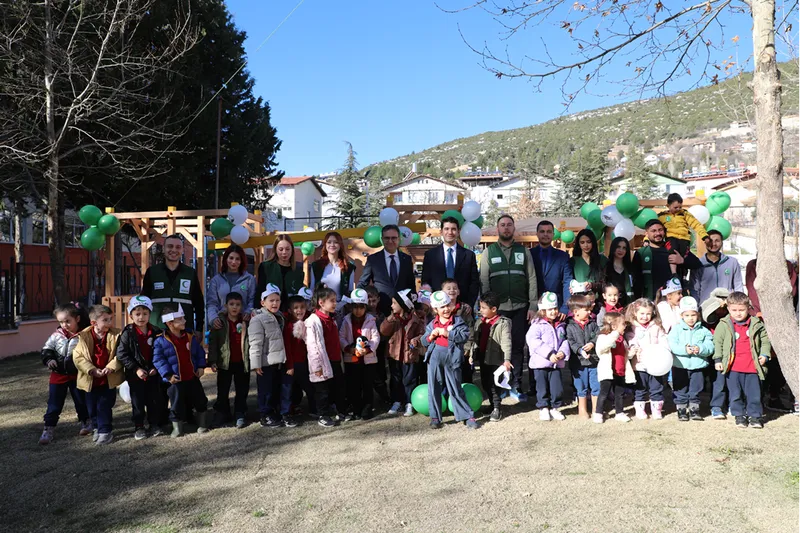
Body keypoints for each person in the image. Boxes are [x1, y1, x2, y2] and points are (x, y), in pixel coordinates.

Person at [479, 214, 538, 400]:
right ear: (498, 229)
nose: (506, 228)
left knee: (518, 347)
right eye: (503, 225)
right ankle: (500, 386)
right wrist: (487, 308)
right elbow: (484, 280)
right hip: (498, 310)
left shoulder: (524, 251)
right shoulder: (489, 252)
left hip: (521, 307)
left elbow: (532, 278)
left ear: (514, 228)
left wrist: (533, 305)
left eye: (509, 225)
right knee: (498, 348)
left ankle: (515, 385)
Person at [421, 291, 479, 430]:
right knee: (433, 387)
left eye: (448, 305)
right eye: (442, 307)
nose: (446, 309)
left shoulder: (458, 321)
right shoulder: (432, 324)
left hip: (452, 358)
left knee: (455, 387)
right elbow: (424, 341)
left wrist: (448, 333)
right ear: (435, 309)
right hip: (435, 358)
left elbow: (464, 335)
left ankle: (467, 416)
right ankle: (435, 417)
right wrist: (431, 336)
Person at [713, 291, 771, 429]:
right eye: (734, 310)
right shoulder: (724, 324)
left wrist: (764, 354)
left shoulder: (756, 323)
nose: (738, 313)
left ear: (748, 308)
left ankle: (755, 416)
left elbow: (765, 340)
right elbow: (718, 343)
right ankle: (739, 415)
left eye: (741, 310)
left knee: (754, 394)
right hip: (733, 367)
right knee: (735, 394)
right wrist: (718, 359)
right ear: (728, 309)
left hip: (752, 366)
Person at [153, 305, 209, 437]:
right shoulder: (160, 341)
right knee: (176, 404)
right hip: (175, 380)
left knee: (200, 400)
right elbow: (158, 360)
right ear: (170, 323)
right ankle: (177, 427)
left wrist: (201, 366)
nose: (184, 321)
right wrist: (168, 375)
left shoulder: (190, 336)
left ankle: (202, 423)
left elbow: (199, 353)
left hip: (192, 377)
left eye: (183, 318)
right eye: (180, 319)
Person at [38, 303, 91, 445]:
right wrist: (49, 359)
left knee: (81, 401)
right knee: (54, 403)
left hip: (77, 375)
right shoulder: (56, 336)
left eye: (68, 321)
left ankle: (86, 422)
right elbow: (46, 349)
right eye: (61, 322)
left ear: (77, 319)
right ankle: (48, 428)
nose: (64, 325)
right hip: (58, 375)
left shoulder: (84, 335)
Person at [114, 296, 165, 440]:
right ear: (131, 315)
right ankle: (139, 427)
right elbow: (122, 354)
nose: (141, 317)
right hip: (135, 375)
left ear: (150, 314)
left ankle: (154, 424)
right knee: (138, 402)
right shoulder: (127, 333)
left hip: (153, 373)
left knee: (154, 400)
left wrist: (156, 367)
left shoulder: (157, 332)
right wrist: (136, 369)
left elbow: (161, 351)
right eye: (137, 314)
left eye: (145, 313)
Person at [72, 305, 124, 445]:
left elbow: (120, 355)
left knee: (104, 405)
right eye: (105, 320)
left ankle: (105, 431)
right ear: (94, 323)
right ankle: (96, 427)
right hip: (90, 380)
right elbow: (78, 357)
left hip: (108, 379)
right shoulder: (83, 336)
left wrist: (111, 367)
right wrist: (92, 370)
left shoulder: (116, 335)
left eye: (111, 319)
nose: (110, 323)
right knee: (92, 407)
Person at [249, 284, 293, 428]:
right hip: (265, 362)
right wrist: (256, 364)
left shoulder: (280, 317)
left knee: (275, 389)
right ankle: (265, 415)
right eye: (271, 300)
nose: (275, 303)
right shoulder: (258, 319)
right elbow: (255, 343)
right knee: (265, 391)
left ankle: (274, 412)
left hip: (278, 361)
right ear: (263, 302)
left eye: (277, 300)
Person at [141, 234, 205, 332]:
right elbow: (144, 301)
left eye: (178, 247)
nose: (174, 250)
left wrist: (199, 329)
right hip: (157, 327)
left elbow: (199, 303)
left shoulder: (190, 273)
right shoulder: (152, 272)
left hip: (184, 328)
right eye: (170, 246)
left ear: (182, 250)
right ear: (163, 249)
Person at [306, 287, 348, 427]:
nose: (335, 303)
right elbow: (312, 346)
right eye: (332, 301)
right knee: (322, 391)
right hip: (322, 362)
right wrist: (317, 366)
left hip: (335, 360)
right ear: (321, 302)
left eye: (335, 300)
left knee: (338, 387)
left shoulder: (332, 319)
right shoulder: (313, 321)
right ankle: (323, 415)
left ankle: (340, 411)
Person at [208, 292, 250, 429]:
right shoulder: (219, 322)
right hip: (224, 362)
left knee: (242, 389)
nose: (234, 307)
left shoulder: (246, 321)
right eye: (231, 304)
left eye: (238, 305)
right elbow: (213, 342)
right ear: (226, 306)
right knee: (223, 390)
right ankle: (222, 413)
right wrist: (212, 360)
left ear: (242, 306)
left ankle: (240, 413)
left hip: (242, 362)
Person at [379, 289, 425, 416]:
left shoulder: (416, 319)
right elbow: (383, 331)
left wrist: (416, 340)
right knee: (395, 379)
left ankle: (409, 402)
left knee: (409, 379)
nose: (391, 305)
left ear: (404, 305)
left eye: (394, 303)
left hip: (409, 354)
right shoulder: (393, 319)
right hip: (394, 354)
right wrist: (390, 319)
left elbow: (422, 334)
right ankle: (397, 400)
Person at [526, 292, 571, 421]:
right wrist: (549, 353)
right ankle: (544, 407)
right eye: (550, 309)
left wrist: (562, 352)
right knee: (542, 387)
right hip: (540, 364)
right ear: (542, 310)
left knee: (557, 388)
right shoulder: (537, 325)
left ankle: (555, 407)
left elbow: (564, 340)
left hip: (555, 364)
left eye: (555, 308)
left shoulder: (560, 325)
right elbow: (533, 340)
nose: (553, 312)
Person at [668, 296, 714, 422]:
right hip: (680, 365)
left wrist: (700, 349)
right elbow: (672, 345)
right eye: (687, 315)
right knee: (680, 388)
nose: (690, 318)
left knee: (696, 388)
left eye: (693, 315)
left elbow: (710, 346)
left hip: (698, 365)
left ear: (698, 315)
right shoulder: (676, 330)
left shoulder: (704, 331)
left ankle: (694, 409)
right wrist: (684, 350)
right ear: (682, 316)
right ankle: (681, 409)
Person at [633, 219, 701, 300]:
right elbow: (636, 280)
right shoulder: (641, 253)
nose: (658, 233)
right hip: (651, 300)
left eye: (660, 230)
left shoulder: (674, 248)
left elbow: (697, 264)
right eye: (653, 231)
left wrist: (682, 260)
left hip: (674, 300)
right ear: (646, 233)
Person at [470, 292, 512, 422]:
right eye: (480, 307)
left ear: (493, 309)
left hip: (495, 359)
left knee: (494, 384)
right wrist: (471, 354)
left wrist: (507, 360)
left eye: (483, 308)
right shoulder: (480, 322)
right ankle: (492, 405)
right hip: (483, 357)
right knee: (485, 383)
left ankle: (497, 408)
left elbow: (506, 342)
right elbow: (475, 340)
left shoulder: (503, 323)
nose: (480, 310)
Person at [339, 288, 380, 420]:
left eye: (361, 307)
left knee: (367, 385)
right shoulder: (346, 320)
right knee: (354, 386)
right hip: (352, 359)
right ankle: (356, 408)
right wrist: (349, 349)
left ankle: (367, 409)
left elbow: (375, 338)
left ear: (365, 307)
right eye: (355, 307)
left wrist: (367, 349)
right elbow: (341, 337)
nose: (358, 310)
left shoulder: (370, 320)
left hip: (368, 360)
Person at [625, 298, 669, 420]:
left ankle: (657, 409)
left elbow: (663, 340)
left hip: (656, 364)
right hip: (640, 364)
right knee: (640, 388)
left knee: (656, 387)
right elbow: (631, 340)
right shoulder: (632, 327)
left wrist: (663, 350)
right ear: (635, 313)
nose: (645, 317)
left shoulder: (657, 326)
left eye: (648, 314)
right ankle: (640, 409)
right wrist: (634, 348)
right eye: (642, 313)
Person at [421, 216, 480, 307]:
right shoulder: (430, 255)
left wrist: (469, 304)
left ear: (458, 232)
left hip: (462, 307)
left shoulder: (469, 255)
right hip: (437, 307)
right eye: (446, 229)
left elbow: (474, 282)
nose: (450, 232)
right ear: (441, 231)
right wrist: (429, 304)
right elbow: (425, 282)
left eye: (453, 229)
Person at [358, 225, 416, 316]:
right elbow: (363, 282)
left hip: (402, 310)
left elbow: (411, 284)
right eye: (387, 238)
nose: (390, 241)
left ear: (399, 239)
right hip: (380, 309)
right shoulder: (373, 259)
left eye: (394, 238)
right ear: (382, 239)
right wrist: (356, 300)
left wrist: (413, 304)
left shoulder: (407, 259)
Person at [594, 312, 635, 423]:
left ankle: (619, 413)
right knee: (604, 393)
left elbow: (626, 355)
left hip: (620, 371)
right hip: (608, 372)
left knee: (619, 394)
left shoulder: (622, 339)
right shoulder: (603, 337)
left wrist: (632, 352)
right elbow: (602, 349)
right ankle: (598, 413)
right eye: (623, 324)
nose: (625, 326)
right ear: (613, 326)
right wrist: (615, 334)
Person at [658, 193, 710, 276]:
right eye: (675, 207)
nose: (678, 209)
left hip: (684, 238)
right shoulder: (662, 216)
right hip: (671, 237)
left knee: (684, 255)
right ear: (668, 205)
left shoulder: (684, 214)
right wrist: (646, 239)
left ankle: (684, 273)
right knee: (672, 251)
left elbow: (696, 224)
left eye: (680, 207)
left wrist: (704, 236)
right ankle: (673, 273)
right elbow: (653, 229)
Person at [566, 294, 600, 419]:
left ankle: (596, 409)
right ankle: (582, 409)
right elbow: (570, 342)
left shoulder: (593, 324)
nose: (589, 312)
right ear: (576, 312)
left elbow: (598, 335)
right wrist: (579, 350)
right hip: (578, 363)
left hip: (594, 361)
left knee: (596, 385)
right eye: (586, 310)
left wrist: (592, 343)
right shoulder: (569, 327)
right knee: (581, 386)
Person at [206, 245, 256, 330]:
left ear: (242, 261)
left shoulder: (249, 279)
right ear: (226, 259)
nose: (234, 262)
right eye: (231, 258)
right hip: (222, 324)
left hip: (243, 323)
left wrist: (248, 312)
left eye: (237, 259)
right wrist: (213, 318)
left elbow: (252, 300)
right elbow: (212, 303)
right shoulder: (216, 280)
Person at [701, 288, 732, 419]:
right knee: (718, 380)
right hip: (715, 353)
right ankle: (716, 406)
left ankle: (732, 404)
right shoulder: (707, 312)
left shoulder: (733, 313)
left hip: (730, 351)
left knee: (732, 381)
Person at [285, 292, 317, 417]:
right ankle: (291, 409)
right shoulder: (288, 326)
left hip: (306, 362)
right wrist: (289, 365)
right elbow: (287, 347)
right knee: (291, 389)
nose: (299, 310)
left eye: (302, 307)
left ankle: (314, 409)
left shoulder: (309, 321)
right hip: (293, 364)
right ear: (290, 310)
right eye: (296, 308)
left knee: (309, 387)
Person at [690, 230, 743, 303]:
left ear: (722, 243)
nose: (714, 244)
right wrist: (696, 307)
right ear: (705, 243)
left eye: (717, 241)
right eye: (710, 241)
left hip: (728, 305)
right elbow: (694, 290)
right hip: (706, 306)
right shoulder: (698, 264)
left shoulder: (732, 262)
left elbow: (738, 285)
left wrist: (739, 304)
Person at [255, 235, 306, 311]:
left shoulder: (298, 271)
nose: (284, 252)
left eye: (287, 249)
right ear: (275, 250)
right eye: (281, 249)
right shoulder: (265, 267)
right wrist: (257, 310)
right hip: (269, 311)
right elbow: (260, 290)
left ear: (292, 250)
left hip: (291, 312)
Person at [442, 278, 475, 383]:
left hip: (461, 348)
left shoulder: (465, 309)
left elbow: (470, 328)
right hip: (444, 348)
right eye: (448, 288)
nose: (452, 290)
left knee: (464, 376)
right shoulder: (439, 309)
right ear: (442, 292)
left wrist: (468, 346)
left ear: (459, 292)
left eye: (454, 288)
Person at [310, 232, 356, 304]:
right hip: (321, 307)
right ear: (325, 245)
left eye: (336, 242)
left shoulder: (348, 267)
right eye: (329, 242)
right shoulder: (316, 266)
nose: (332, 245)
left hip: (341, 307)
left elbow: (350, 291)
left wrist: (340, 305)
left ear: (340, 245)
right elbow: (312, 289)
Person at [365, 285, 391, 404]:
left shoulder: (381, 315)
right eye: (369, 301)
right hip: (367, 350)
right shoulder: (363, 315)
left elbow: (385, 333)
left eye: (374, 300)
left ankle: (385, 398)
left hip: (380, 348)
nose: (371, 304)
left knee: (381, 373)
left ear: (378, 299)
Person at [570, 229, 608, 300]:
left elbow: (606, 283)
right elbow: (569, 281)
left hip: (599, 300)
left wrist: (592, 285)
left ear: (593, 242)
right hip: (580, 301)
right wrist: (571, 288)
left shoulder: (602, 260)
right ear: (578, 244)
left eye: (588, 242)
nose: (586, 245)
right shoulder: (573, 261)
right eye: (582, 242)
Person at [604, 237, 639, 306]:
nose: (621, 250)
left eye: (624, 248)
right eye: (618, 247)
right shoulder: (606, 267)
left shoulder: (630, 268)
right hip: (611, 306)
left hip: (629, 305)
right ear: (613, 248)